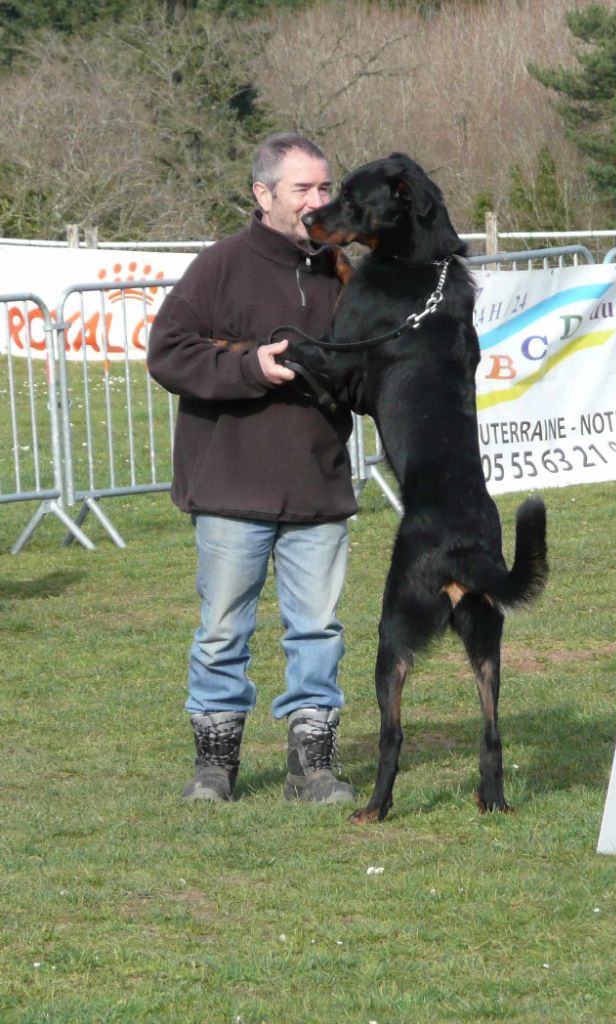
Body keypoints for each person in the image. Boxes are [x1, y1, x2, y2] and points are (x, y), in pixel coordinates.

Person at [147, 133, 357, 804]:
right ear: (263, 194)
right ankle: (215, 768)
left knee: (317, 630)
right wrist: (250, 366)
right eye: (303, 189)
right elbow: (168, 354)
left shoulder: (343, 272)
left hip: (318, 485)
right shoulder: (219, 267)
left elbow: (368, 375)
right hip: (230, 486)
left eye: (325, 188)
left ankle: (312, 768)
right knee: (222, 631)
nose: (318, 201)